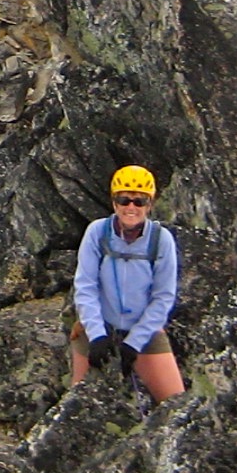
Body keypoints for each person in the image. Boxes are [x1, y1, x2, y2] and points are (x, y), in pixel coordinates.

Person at [70, 166, 185, 402]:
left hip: (144, 329)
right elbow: (85, 287)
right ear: (114, 202)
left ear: (150, 204)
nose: (131, 207)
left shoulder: (161, 240)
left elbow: (163, 297)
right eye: (124, 199)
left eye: (139, 201)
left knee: (177, 403)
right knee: (78, 401)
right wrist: (97, 336)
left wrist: (134, 343)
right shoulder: (97, 232)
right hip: (97, 328)